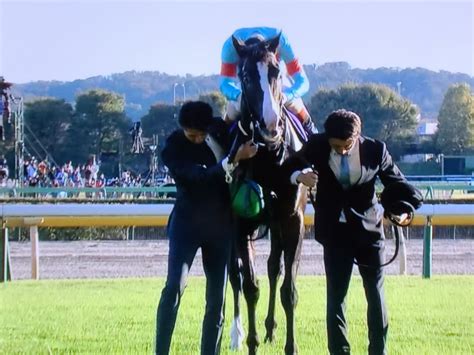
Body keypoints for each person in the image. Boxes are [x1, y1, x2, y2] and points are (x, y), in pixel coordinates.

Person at [283, 109, 409, 355]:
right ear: (327, 139)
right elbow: (287, 166)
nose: (341, 150)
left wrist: (402, 211)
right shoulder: (316, 145)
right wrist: (299, 176)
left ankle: (378, 351)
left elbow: (398, 183)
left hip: (370, 234)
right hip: (334, 234)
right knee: (336, 298)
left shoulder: (376, 150)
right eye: (336, 146)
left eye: (347, 145)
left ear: (358, 136)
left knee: (375, 294)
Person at [155, 101, 257, 355]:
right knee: (174, 287)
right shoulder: (173, 146)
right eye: (192, 135)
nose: (198, 139)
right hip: (186, 226)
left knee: (216, 301)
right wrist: (233, 159)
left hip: (221, 228)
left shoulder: (219, 131)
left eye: (202, 134)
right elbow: (199, 176)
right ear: (183, 130)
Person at [219, 26, 316, 134]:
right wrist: (238, 96)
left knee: (298, 106)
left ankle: (312, 132)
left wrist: (286, 96)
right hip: (247, 83)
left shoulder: (281, 41)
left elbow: (303, 81)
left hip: (275, 82)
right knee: (230, 114)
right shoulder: (230, 47)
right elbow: (225, 84)